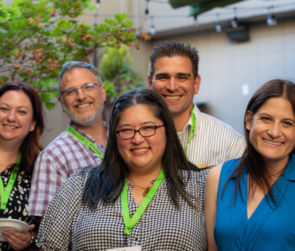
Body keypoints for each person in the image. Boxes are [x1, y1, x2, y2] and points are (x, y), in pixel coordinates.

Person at [36, 88, 209, 251]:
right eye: (126, 130)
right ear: (114, 137)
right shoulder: (79, 185)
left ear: (167, 131)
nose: (137, 139)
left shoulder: (201, 186)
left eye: (148, 128)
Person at [205, 79, 295, 251]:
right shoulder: (218, 177)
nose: (274, 132)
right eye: (266, 119)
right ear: (249, 120)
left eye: (287, 123)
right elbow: (213, 248)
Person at [28, 61, 107, 220]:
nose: (81, 96)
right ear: (61, 102)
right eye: (71, 91)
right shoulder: (52, 157)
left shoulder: (127, 140)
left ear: (103, 92)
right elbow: (47, 232)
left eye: (88, 86)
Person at [148, 42, 246, 167]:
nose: (172, 87)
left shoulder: (231, 143)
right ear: (150, 84)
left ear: (196, 84)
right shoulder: (134, 139)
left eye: (182, 77)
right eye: (163, 77)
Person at [0, 82, 44, 251]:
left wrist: (31, 238)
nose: (11, 117)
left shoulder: (41, 171)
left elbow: (52, 233)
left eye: (21, 112)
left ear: (33, 124)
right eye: (4, 109)